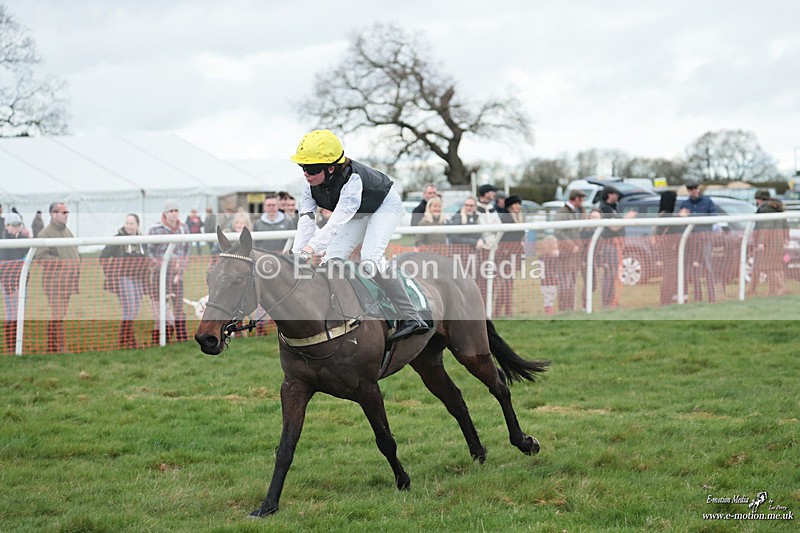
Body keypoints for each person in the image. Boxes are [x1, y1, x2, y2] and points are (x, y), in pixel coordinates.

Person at [290, 129, 430, 342]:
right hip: (358, 212)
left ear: (331, 168)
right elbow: (306, 223)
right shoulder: (309, 186)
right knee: (330, 261)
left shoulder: (352, 179)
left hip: (384, 205)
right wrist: (296, 252)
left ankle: (411, 316)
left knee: (369, 260)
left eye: (311, 169)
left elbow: (336, 223)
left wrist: (309, 250)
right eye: (303, 168)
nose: (306, 174)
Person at [35, 202, 80, 353]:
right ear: (53, 214)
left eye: (67, 212)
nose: (67, 215)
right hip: (54, 283)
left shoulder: (67, 232)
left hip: (68, 281)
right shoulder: (44, 234)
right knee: (58, 314)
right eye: (63, 212)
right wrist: (60, 263)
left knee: (60, 314)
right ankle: (60, 347)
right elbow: (40, 257)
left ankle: (52, 347)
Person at [99, 214, 147, 348]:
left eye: (132, 223)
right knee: (129, 309)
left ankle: (124, 339)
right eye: (127, 223)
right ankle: (128, 341)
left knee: (136, 309)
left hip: (139, 279)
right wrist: (111, 273)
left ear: (137, 225)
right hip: (123, 278)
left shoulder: (144, 240)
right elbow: (103, 256)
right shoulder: (118, 239)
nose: (129, 226)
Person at [147, 200, 191, 343]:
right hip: (160, 276)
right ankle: (159, 338)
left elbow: (186, 251)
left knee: (178, 306)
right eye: (170, 211)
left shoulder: (184, 228)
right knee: (160, 307)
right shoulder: (155, 229)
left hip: (178, 276)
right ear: (165, 213)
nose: (173, 214)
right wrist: (161, 265)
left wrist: (180, 269)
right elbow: (149, 251)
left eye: (176, 211)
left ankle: (182, 337)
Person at [596, 186, 635, 309]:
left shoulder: (614, 208)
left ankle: (613, 300)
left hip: (616, 245)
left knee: (614, 274)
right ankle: (607, 302)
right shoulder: (604, 209)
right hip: (609, 245)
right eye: (615, 194)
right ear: (609, 195)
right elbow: (614, 227)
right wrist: (627, 218)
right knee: (610, 274)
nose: (617, 196)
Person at [679, 181, 718, 303]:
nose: (694, 190)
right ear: (688, 191)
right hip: (691, 241)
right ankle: (697, 297)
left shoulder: (708, 202)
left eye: (695, 188)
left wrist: (691, 218)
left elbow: (713, 218)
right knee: (694, 269)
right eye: (691, 189)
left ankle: (712, 297)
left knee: (708, 267)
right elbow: (681, 220)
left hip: (705, 240)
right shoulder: (684, 204)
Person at [0, 213, 30, 352]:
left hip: (22, 284)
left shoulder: (23, 240)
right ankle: (12, 347)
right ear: (7, 226)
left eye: (19, 225)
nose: (18, 228)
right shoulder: (4, 243)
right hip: (10, 286)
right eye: (15, 225)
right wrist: (9, 287)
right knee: (12, 316)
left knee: (19, 315)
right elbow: (4, 268)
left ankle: (18, 345)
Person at [554, 189, 587, 311]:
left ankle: (570, 309)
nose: (583, 201)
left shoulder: (577, 212)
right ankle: (564, 309)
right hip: (565, 254)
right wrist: (571, 245)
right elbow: (557, 231)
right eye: (581, 199)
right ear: (576, 198)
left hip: (574, 254)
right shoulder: (562, 212)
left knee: (572, 282)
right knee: (565, 283)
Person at [751, 189, 788, 296]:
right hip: (779, 240)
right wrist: (786, 237)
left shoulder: (765, 209)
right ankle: (773, 290)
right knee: (776, 265)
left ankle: (781, 288)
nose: (756, 203)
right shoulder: (777, 208)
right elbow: (785, 224)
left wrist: (762, 242)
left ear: (760, 199)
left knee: (771, 266)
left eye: (757, 200)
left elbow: (766, 226)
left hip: (770, 241)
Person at [495, 195, 525, 317]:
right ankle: (500, 310)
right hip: (505, 254)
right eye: (515, 204)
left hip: (516, 252)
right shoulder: (505, 218)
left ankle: (506, 309)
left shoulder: (519, 218)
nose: (518, 206)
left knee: (510, 283)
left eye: (519, 204)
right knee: (505, 284)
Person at [653, 191, 684, 305]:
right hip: (669, 250)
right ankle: (665, 300)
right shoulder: (666, 215)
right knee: (669, 276)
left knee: (670, 276)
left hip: (666, 250)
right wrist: (681, 217)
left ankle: (668, 298)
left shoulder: (661, 214)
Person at [538, 235, 559, 315]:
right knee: (547, 296)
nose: (557, 245)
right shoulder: (543, 256)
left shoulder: (556, 255)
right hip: (546, 280)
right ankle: (548, 310)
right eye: (555, 243)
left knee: (553, 294)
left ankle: (550, 308)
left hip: (554, 280)